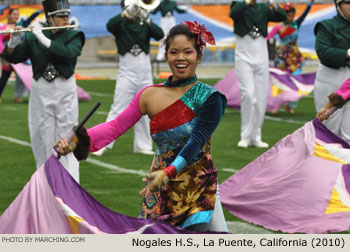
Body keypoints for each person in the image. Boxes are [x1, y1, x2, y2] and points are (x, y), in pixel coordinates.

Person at [57, 21, 228, 232]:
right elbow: (115, 127)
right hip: (159, 188)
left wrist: (168, 171)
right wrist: (76, 140)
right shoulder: (149, 95)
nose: (181, 58)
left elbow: (196, 141)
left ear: (199, 56)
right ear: (166, 56)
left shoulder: (211, 98)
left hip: (199, 188)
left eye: (188, 52)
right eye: (174, 52)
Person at [3, 0, 85, 183]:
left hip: (65, 89)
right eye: (60, 16)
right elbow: (14, 57)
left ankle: (71, 186)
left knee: (67, 137)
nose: (65, 19)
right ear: (49, 18)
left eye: (66, 15)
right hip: (41, 90)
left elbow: (68, 53)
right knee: (42, 138)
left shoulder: (75, 35)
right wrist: (13, 42)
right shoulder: (33, 37)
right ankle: (45, 186)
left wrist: (43, 39)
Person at [92, 1, 164, 156]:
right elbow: (110, 25)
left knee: (146, 109)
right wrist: (124, 14)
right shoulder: (120, 25)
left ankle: (143, 145)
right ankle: (103, 143)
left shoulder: (144, 24)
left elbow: (160, 35)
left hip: (145, 73)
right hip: (127, 74)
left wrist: (148, 20)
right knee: (117, 109)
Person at [229, 0, 287, 148]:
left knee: (261, 98)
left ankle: (256, 136)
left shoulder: (263, 7)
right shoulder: (238, 4)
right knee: (248, 95)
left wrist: (272, 3)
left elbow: (282, 16)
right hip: (243, 56)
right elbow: (233, 14)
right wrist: (246, 2)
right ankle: (245, 136)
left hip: (262, 56)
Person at [267, 1, 314, 114]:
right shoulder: (278, 27)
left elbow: (304, 14)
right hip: (282, 58)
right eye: (288, 15)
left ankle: (291, 105)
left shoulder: (296, 24)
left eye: (292, 15)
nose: (290, 17)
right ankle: (275, 104)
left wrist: (310, 4)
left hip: (294, 58)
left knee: (296, 80)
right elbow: (267, 38)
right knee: (279, 81)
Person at [313, 0, 350, 142]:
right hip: (331, 77)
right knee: (329, 130)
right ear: (338, 5)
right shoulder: (327, 26)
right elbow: (323, 52)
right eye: (348, 2)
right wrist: (347, 53)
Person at [0, 7, 42, 104]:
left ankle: (17, 95)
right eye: (14, 14)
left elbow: (29, 19)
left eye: (17, 14)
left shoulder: (21, 25)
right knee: (5, 76)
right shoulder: (3, 27)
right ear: (9, 15)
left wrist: (39, 12)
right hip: (7, 55)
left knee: (21, 77)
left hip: (19, 55)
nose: (16, 16)